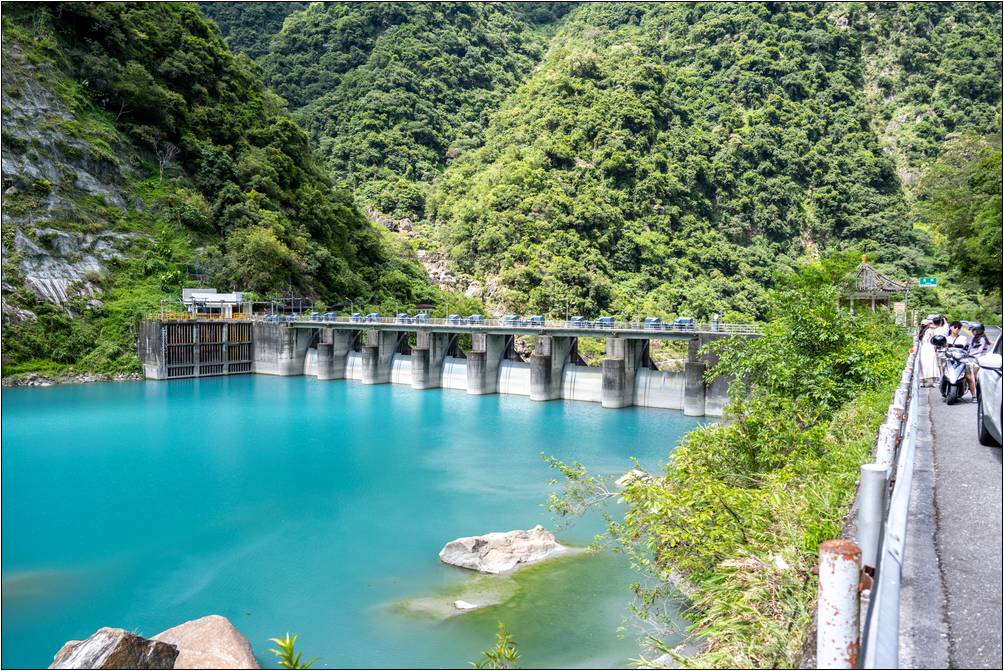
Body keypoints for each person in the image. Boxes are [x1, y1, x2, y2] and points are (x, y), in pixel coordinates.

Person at [965, 322, 991, 401]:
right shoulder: (975, 338)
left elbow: (980, 350)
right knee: (974, 377)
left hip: (980, 359)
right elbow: (970, 346)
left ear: (978, 330)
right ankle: (976, 392)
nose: (972, 331)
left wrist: (970, 353)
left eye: (973, 330)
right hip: (975, 359)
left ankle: (979, 393)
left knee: (976, 377)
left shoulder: (982, 338)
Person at [918, 318, 940, 386]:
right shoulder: (930, 331)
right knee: (932, 364)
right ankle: (934, 382)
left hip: (923, 349)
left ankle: (922, 382)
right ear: (928, 325)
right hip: (930, 348)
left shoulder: (921, 332)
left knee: (923, 364)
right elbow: (935, 339)